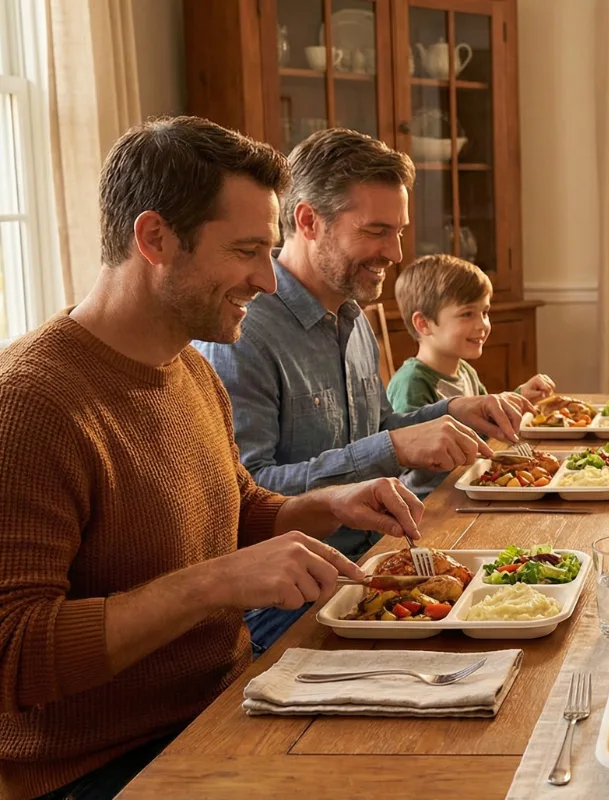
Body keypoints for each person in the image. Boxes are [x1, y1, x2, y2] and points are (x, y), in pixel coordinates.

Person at [0, 116, 425, 800]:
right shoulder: (30, 405)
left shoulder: (187, 368)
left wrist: (325, 505)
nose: (266, 279)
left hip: (226, 709)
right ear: (154, 239)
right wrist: (212, 584)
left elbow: (235, 506)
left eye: (271, 249)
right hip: (103, 769)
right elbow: (12, 653)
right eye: (246, 251)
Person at [195, 128, 531, 652]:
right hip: (286, 605)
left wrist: (457, 410)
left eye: (398, 232)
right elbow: (246, 493)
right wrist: (393, 447)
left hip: (372, 565)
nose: (394, 253)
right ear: (308, 220)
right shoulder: (243, 332)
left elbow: (375, 433)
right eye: (376, 231)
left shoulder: (352, 315)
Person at [386, 253, 555, 495]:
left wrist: (519, 396)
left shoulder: (465, 371)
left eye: (485, 312)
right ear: (423, 324)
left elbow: (487, 420)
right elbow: (412, 456)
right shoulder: (412, 382)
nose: (483, 325)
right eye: (468, 314)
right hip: (432, 499)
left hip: (468, 484)